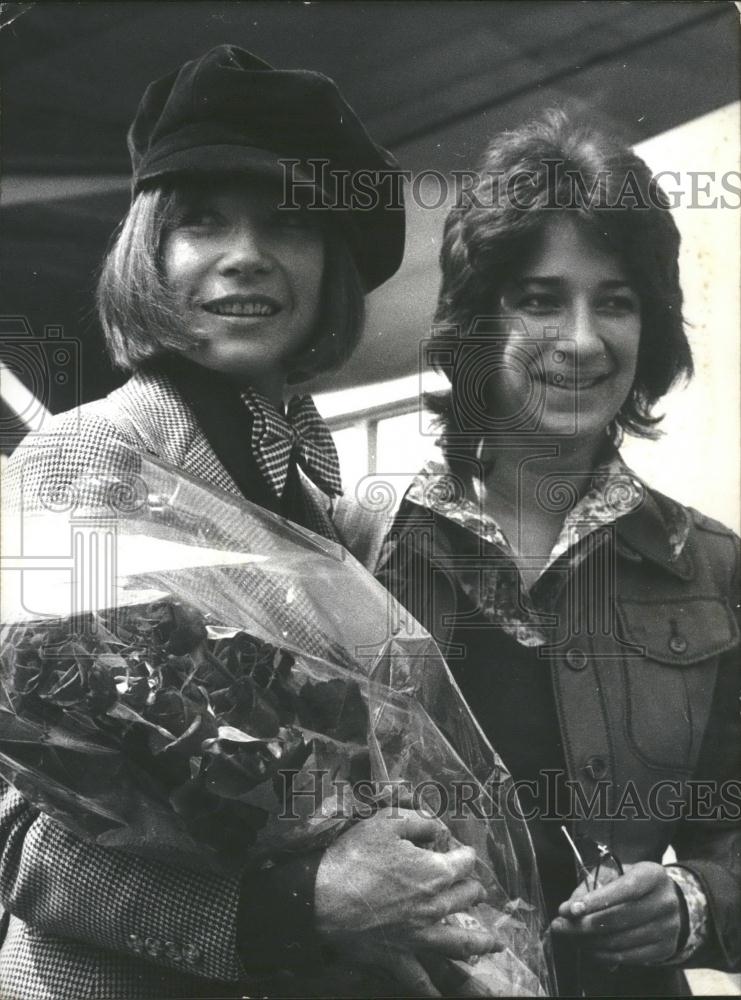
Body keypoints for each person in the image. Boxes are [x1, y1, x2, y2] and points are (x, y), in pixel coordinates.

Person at [0, 45, 497, 1000]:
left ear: (332, 266)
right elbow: (13, 830)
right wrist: (293, 903)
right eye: (201, 222)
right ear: (150, 250)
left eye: (289, 226)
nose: (246, 256)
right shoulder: (83, 460)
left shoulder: (322, 497)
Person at [343, 110, 740, 997]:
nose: (582, 339)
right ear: (476, 322)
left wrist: (697, 900)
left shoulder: (711, 565)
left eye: (616, 300)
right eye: (539, 298)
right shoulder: (354, 549)